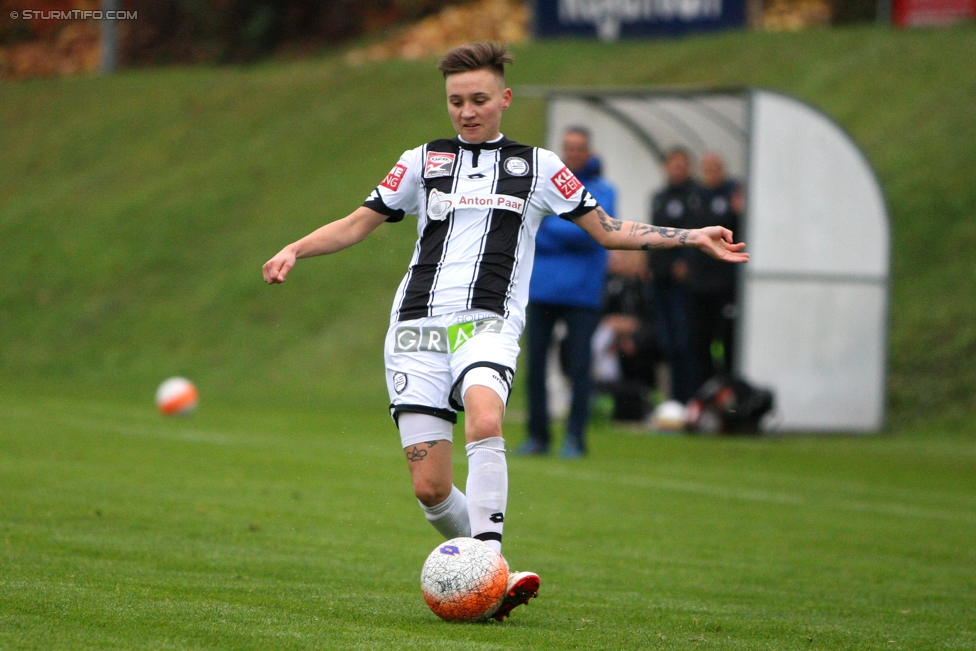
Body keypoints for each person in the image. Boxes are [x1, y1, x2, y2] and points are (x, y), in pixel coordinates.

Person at [262, 42, 748, 622]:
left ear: (505, 99)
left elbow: (610, 230)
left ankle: (488, 567)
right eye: (456, 101)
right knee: (430, 489)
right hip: (416, 328)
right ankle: (495, 572)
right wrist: (296, 248)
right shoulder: (422, 162)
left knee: (485, 417)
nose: (467, 111)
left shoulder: (539, 168)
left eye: (479, 100)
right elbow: (355, 224)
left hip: (486, 324)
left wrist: (691, 235)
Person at [520, 127, 617, 458]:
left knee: (579, 368)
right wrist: (570, 225)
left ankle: (575, 436)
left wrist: (553, 226)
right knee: (534, 366)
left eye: (579, 147)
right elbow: (528, 229)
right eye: (568, 147)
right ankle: (537, 435)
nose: (573, 153)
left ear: (589, 151)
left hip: (582, 293)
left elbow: (593, 232)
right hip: (542, 290)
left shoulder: (603, 189)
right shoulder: (544, 186)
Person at [648, 148, 701, 404]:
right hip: (660, 280)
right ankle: (671, 400)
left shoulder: (695, 197)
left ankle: (687, 400)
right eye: (672, 165)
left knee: (684, 343)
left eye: (682, 165)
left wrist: (686, 263)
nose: (676, 170)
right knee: (666, 344)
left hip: (684, 284)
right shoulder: (659, 197)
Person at [687, 152, 744, 390]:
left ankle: (729, 390)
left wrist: (740, 213)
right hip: (698, 285)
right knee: (699, 342)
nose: (711, 173)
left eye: (715, 168)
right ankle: (703, 391)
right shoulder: (695, 198)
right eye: (706, 168)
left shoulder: (733, 197)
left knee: (727, 342)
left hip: (725, 284)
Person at [593, 250, 662, 421]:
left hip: (643, 339)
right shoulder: (613, 283)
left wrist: (629, 332)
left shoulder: (646, 286)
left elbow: (650, 319)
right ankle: (601, 386)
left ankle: (604, 383)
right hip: (616, 336)